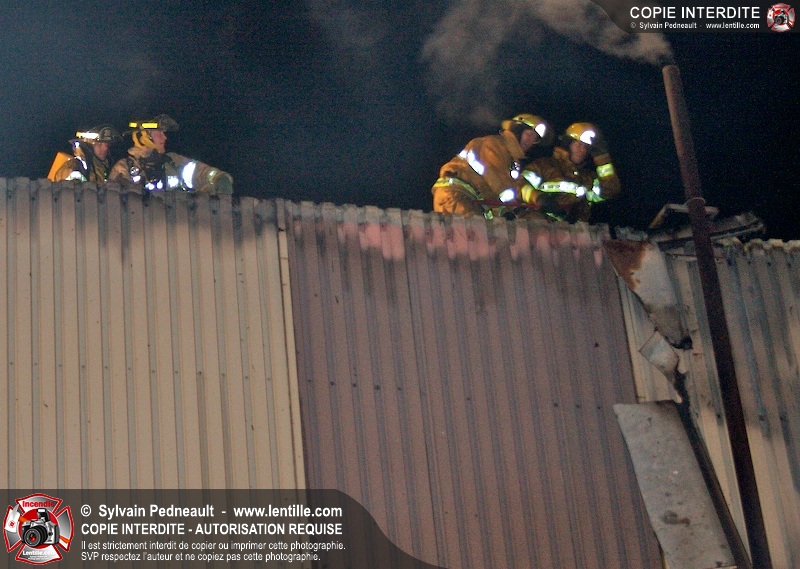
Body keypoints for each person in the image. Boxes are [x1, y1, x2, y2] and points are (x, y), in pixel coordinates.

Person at [431, 113, 553, 219]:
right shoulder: (494, 144)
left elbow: (515, 187)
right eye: (528, 134)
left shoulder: (511, 160)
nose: (530, 141)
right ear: (517, 131)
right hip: (456, 195)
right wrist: (516, 209)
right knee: (471, 234)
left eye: (534, 139)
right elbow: (498, 180)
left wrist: (538, 198)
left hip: (471, 200)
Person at [519, 122, 621, 223]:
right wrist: (539, 199)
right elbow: (520, 185)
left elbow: (609, 191)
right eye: (578, 144)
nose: (582, 150)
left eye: (586, 147)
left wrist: (602, 158)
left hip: (574, 230)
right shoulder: (544, 166)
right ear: (568, 144)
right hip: (540, 226)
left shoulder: (587, 178)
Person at [109, 114, 233, 195]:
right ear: (144, 136)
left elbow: (201, 172)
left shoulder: (173, 162)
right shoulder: (124, 167)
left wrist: (219, 178)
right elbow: (113, 200)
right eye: (158, 133)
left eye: (163, 133)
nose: (164, 137)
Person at [50, 125, 121, 182]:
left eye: (107, 144)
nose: (105, 148)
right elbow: (69, 193)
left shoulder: (104, 169)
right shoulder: (73, 168)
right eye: (99, 144)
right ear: (86, 146)